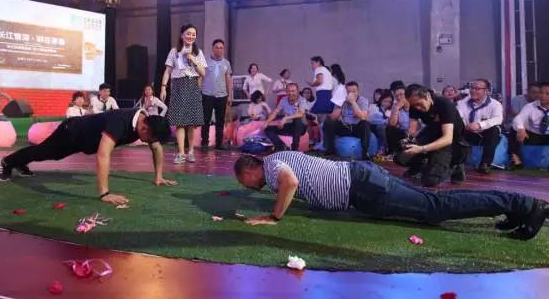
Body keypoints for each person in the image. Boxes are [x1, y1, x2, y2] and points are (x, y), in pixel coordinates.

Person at [233, 151, 548, 241]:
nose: (247, 187)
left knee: (435, 208)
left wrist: (273, 216)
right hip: (362, 179)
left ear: (249, 170)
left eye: (244, 182)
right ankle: (518, 207)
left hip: (364, 187)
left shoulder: (271, 168)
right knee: (433, 204)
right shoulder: (277, 156)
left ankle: (525, 205)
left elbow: (290, 183)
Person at [0, 109, 177, 205]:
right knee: (44, 152)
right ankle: (8, 162)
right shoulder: (120, 122)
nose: (150, 142)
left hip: (85, 140)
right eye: (150, 138)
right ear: (145, 128)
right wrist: (105, 193)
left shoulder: (146, 124)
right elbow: (103, 155)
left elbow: (157, 148)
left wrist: (158, 176)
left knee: (48, 155)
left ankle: (20, 163)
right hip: (72, 133)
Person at [395, 84, 467, 187]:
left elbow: (447, 138)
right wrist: (407, 141)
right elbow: (412, 130)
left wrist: (421, 149)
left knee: (430, 180)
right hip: (431, 133)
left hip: (451, 141)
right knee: (400, 157)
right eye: (414, 105)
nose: (418, 108)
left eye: (419, 104)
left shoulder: (444, 104)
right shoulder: (414, 106)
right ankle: (419, 166)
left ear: (427, 96)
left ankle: (455, 167)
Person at [160, 24, 207, 164]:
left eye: (193, 34)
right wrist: (163, 87)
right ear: (182, 35)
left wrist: (192, 58)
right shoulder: (174, 51)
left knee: (191, 123)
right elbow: (167, 71)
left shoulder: (198, 52)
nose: (191, 36)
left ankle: (191, 152)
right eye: (188, 33)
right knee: (179, 122)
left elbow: (203, 73)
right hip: (178, 86)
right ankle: (181, 153)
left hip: (192, 85)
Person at [456, 79, 504, 174]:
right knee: (454, 128)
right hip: (468, 132)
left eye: (477, 89)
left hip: (486, 134)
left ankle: (485, 164)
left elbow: (498, 119)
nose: (473, 91)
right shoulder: (462, 103)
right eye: (472, 88)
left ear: (486, 91)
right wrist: (464, 125)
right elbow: (458, 116)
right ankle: (456, 163)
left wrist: (479, 125)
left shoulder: (495, 104)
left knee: (494, 130)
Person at [322, 81, 372, 160]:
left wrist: (353, 102)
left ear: (358, 92)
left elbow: (363, 117)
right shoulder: (342, 100)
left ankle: (365, 152)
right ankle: (330, 151)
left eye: (354, 91)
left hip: (357, 127)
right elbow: (333, 117)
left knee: (365, 123)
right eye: (348, 92)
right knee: (328, 122)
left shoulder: (363, 100)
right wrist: (340, 104)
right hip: (344, 126)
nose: (351, 94)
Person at [201, 39, 233, 150]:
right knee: (206, 120)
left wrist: (229, 95)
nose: (219, 50)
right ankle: (204, 143)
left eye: (221, 48)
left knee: (220, 120)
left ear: (223, 49)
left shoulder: (226, 63)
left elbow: (228, 80)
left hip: (222, 95)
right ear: (213, 48)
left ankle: (219, 143)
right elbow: (200, 77)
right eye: (217, 47)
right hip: (207, 94)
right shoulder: (205, 61)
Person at [509, 82, 549, 168]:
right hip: (533, 136)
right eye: (541, 92)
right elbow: (518, 118)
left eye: (547, 94)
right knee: (514, 129)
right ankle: (516, 159)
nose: (543, 96)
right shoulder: (530, 106)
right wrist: (521, 129)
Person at [264, 83, 307, 151]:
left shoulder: (302, 100)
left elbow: (301, 114)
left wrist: (285, 118)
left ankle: (294, 149)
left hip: (301, 127)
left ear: (297, 91)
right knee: (268, 129)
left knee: (297, 120)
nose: (290, 93)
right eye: (288, 91)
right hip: (289, 126)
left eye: (293, 91)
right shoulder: (283, 100)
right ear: (286, 92)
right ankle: (282, 146)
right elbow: (275, 112)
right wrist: (267, 122)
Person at [386, 83, 411, 155]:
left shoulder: (414, 105)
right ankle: (392, 153)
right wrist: (396, 108)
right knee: (389, 129)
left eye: (401, 94)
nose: (399, 97)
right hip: (403, 133)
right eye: (397, 96)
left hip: (415, 133)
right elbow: (392, 124)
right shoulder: (396, 106)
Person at [369, 89, 393, 154]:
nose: (387, 103)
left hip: (386, 129)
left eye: (389, 102)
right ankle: (382, 148)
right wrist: (385, 121)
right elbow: (371, 120)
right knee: (382, 127)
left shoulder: (390, 111)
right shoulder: (375, 107)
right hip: (374, 127)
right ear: (381, 100)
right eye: (385, 101)